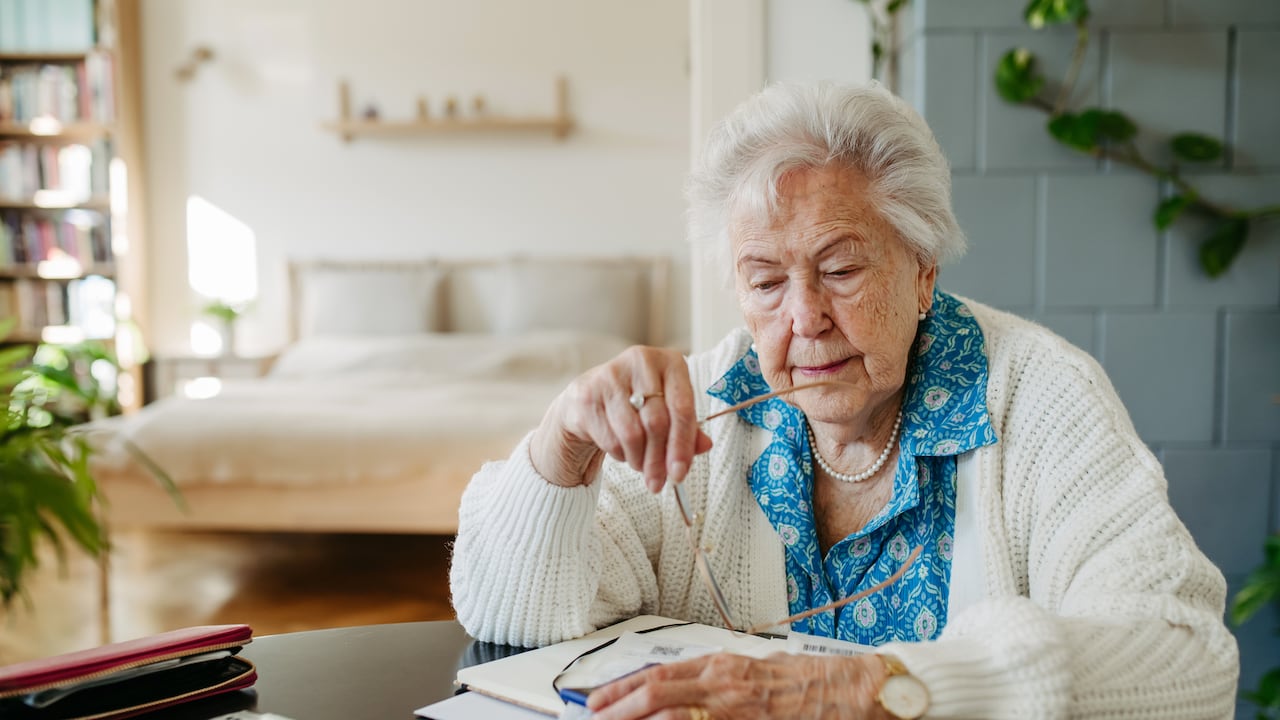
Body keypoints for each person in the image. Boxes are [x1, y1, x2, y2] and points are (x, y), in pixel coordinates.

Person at [449, 81, 1239, 719]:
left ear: (923, 269)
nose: (804, 318)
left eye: (840, 268)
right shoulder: (707, 411)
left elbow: (1187, 661)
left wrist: (890, 686)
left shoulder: (1038, 397)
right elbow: (516, 618)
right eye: (765, 281)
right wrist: (561, 449)